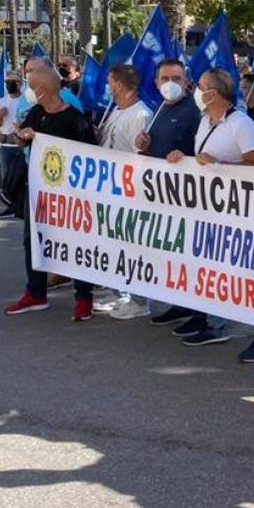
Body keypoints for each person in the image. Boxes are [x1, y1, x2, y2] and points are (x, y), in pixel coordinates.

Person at [167, 69, 254, 362]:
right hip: (211, 211)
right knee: (215, 271)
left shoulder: (242, 124)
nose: (195, 90)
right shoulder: (205, 121)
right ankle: (216, 324)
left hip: (241, 212)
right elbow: (202, 161)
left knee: (250, 275)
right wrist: (182, 159)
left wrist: (220, 164)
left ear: (215, 93)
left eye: (200, 86)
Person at [0, 67, 99, 319]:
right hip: (39, 190)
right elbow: (21, 139)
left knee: (76, 244)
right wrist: (17, 136)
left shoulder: (75, 119)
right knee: (33, 241)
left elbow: (92, 157)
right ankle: (36, 294)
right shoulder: (36, 112)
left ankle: (84, 298)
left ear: (42, 90)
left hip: (71, 195)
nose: (28, 91)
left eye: (31, 86)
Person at [135, 59, 203, 329]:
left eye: (177, 78)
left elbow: (207, 150)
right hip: (164, 196)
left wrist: (185, 157)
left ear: (186, 82)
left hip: (190, 196)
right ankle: (181, 304)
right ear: (156, 82)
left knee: (192, 258)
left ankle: (200, 314)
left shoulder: (195, 110)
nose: (171, 84)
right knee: (173, 255)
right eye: (165, 78)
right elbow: (158, 144)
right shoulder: (160, 107)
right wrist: (145, 143)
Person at [93, 64, 155, 320]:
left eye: (110, 81)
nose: (108, 86)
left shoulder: (140, 114)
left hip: (128, 192)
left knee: (131, 246)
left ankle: (139, 300)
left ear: (118, 84)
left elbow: (140, 156)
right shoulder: (118, 111)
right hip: (110, 188)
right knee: (114, 244)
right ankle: (119, 291)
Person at [0, 69, 25, 218]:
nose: (9, 85)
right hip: (6, 145)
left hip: (21, 144)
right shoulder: (2, 101)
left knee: (20, 177)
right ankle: (10, 206)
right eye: (7, 82)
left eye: (13, 82)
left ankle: (19, 206)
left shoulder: (25, 100)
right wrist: (0, 115)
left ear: (20, 83)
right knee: (7, 178)